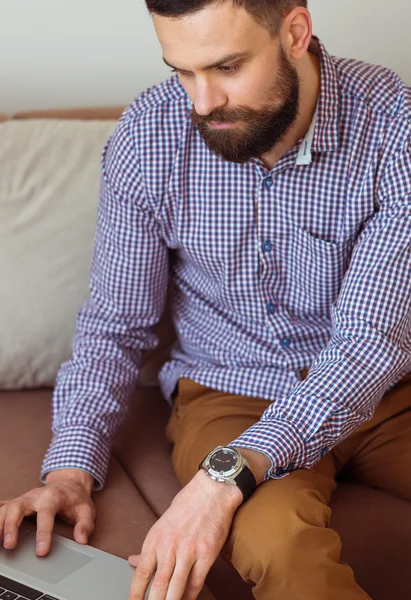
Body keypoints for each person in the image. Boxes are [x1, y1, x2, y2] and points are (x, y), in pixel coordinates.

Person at [1, 1, 410, 599]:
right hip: (230, 392)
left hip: (385, 391)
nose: (202, 102)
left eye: (227, 67)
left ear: (295, 33)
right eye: (182, 71)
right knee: (279, 545)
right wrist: (69, 471)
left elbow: (369, 343)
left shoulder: (393, 122)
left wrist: (224, 478)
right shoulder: (149, 137)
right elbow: (114, 325)